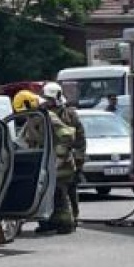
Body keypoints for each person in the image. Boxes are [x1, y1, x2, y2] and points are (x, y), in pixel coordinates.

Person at [34, 82, 81, 235]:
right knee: (49, 193)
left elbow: (80, 139)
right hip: (47, 162)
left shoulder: (70, 114)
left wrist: (80, 160)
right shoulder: (41, 115)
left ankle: (69, 222)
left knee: (65, 193)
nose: (47, 102)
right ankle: (50, 222)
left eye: (49, 99)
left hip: (65, 162)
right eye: (45, 99)